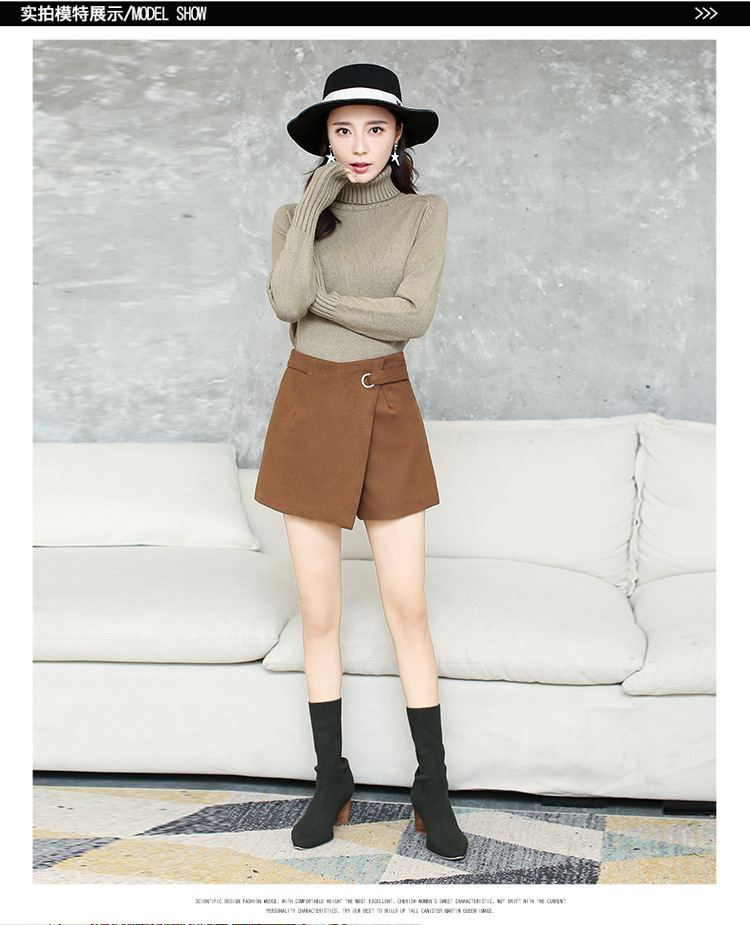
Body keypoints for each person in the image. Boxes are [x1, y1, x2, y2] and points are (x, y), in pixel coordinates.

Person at [254, 63, 467, 862]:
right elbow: (285, 302)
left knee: (407, 607)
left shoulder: (424, 213)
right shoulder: (294, 216)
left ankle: (432, 784)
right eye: (342, 129)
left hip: (386, 408)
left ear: (399, 134)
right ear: (325, 138)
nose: (359, 144)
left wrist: (322, 300)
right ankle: (331, 777)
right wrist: (315, 202)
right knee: (320, 614)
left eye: (375, 128)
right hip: (308, 408)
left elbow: (412, 318)